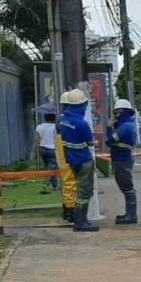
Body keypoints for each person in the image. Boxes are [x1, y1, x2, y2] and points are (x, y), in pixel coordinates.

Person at [58, 88, 98, 232]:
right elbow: (90, 142)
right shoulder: (82, 124)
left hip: (72, 161)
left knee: (79, 189)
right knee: (84, 192)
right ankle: (81, 222)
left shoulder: (62, 120)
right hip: (84, 160)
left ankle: (79, 219)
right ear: (82, 104)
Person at [106, 98, 138, 224]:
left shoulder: (125, 127)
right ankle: (129, 214)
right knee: (126, 187)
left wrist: (109, 128)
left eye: (117, 113)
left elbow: (110, 140)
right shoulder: (128, 125)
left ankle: (131, 216)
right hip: (122, 160)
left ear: (123, 112)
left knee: (127, 188)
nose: (116, 116)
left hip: (122, 161)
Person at [52, 94, 77, 223]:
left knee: (67, 182)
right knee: (70, 182)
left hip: (61, 152)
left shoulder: (60, 119)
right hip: (67, 151)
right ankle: (71, 211)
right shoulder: (67, 120)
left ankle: (67, 210)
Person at [35, 114, 59, 193]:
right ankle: (46, 183)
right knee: (51, 167)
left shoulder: (39, 127)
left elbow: (37, 139)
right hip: (52, 148)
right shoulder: (56, 127)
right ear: (54, 119)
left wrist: (36, 150)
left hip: (42, 148)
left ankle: (55, 185)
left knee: (49, 167)